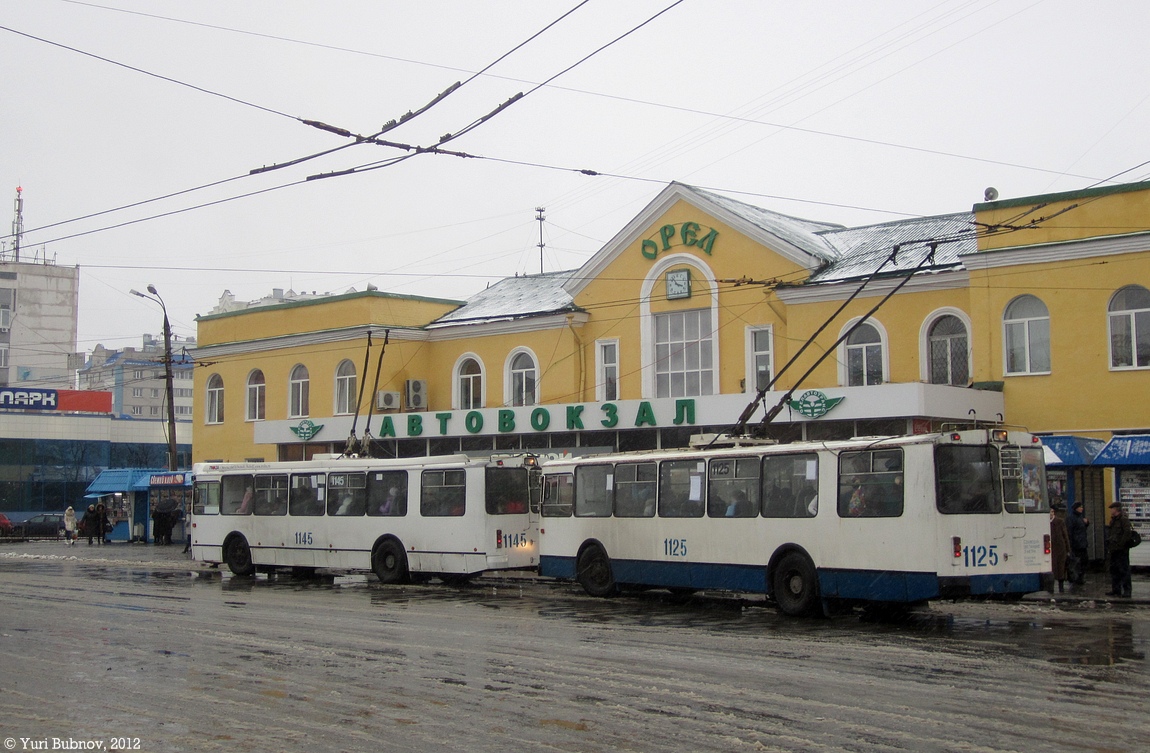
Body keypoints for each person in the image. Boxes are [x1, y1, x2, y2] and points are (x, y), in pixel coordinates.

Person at [1105, 501, 1134, 598]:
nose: (1111, 511)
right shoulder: (1113, 520)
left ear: (1116, 509)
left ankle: (1127, 590)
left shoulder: (1123, 520)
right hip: (1113, 549)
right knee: (1114, 570)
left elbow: (1127, 533)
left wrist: (1121, 545)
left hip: (1121, 550)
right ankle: (1116, 589)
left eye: (1112, 509)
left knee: (1124, 570)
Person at [1066, 500, 1090, 585]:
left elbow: (1081, 528)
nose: (1082, 509)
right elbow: (1070, 531)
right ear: (1076, 508)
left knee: (1084, 561)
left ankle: (1080, 577)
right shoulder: (1071, 518)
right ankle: (1075, 578)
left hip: (1082, 544)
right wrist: (1071, 544)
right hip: (1076, 544)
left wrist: (1087, 523)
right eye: (1080, 507)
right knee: (1076, 562)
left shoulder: (1080, 517)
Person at [1049, 503, 1070, 593]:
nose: (1051, 513)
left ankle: (1061, 588)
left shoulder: (1059, 522)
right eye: (1050, 512)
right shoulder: (1044, 522)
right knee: (1052, 568)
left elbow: (1065, 536)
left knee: (1061, 568)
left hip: (1060, 548)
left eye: (1052, 512)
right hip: (1050, 549)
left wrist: (1068, 549)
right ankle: (1051, 588)